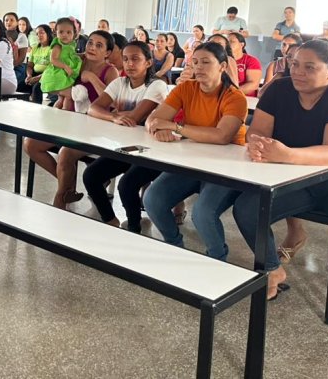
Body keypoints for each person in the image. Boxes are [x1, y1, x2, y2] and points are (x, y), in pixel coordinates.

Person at [232, 40, 328, 311]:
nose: (298, 72)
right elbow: (257, 130)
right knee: (247, 208)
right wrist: (257, 143)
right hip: (300, 180)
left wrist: (285, 154)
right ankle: (273, 269)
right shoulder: (278, 89)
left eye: (309, 67)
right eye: (295, 64)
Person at [142, 41, 247, 261]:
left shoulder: (235, 97)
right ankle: (174, 246)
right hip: (193, 160)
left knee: (203, 213)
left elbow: (222, 136)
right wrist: (157, 129)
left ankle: (217, 259)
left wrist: (175, 127)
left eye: (206, 62)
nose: (198, 67)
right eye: (195, 62)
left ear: (222, 66)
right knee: (153, 199)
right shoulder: (186, 88)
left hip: (227, 167)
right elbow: (154, 119)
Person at [81, 41, 169, 229]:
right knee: (91, 175)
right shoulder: (120, 83)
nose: (129, 64)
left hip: (151, 150)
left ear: (148, 62)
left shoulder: (157, 85)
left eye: (136, 59)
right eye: (126, 59)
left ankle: (134, 227)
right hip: (126, 147)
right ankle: (110, 220)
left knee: (126, 185)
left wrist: (111, 115)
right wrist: (113, 117)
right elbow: (92, 108)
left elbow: (136, 117)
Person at [25, 31, 118, 208]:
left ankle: (60, 200)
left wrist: (91, 77)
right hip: (70, 120)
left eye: (99, 45)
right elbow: (54, 87)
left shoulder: (110, 70)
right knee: (31, 144)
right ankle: (67, 185)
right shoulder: (77, 60)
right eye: (90, 43)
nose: (92, 48)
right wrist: (67, 93)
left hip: (95, 127)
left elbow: (111, 101)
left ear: (107, 52)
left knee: (65, 153)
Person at [38, 17, 82, 111]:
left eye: (68, 32)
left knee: (61, 98)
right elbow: (53, 59)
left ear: (74, 34)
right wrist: (66, 67)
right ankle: (64, 114)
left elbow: (70, 55)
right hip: (56, 75)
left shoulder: (71, 45)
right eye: (61, 32)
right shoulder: (58, 44)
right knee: (69, 96)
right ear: (56, 33)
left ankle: (54, 114)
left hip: (63, 76)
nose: (64, 35)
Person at [24, 24, 53, 103]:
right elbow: (29, 65)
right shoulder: (35, 48)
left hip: (48, 75)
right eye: (37, 34)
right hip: (34, 74)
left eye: (41, 33)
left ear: (48, 34)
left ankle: (36, 110)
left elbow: (52, 69)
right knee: (21, 85)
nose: (39, 35)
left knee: (37, 87)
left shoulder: (53, 48)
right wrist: (29, 76)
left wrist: (37, 78)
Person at [228, 32, 262, 96]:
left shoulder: (251, 61)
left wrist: (231, 93)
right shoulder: (222, 59)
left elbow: (253, 84)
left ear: (242, 44)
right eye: (227, 42)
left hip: (245, 98)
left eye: (232, 42)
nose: (228, 44)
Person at [4, 11, 29, 88]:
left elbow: (20, 59)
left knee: (4, 84)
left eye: (12, 20)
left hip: (18, 67)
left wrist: (8, 68)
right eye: (6, 20)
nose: (9, 22)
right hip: (4, 66)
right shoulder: (1, 36)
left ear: (17, 23)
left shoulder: (21, 36)